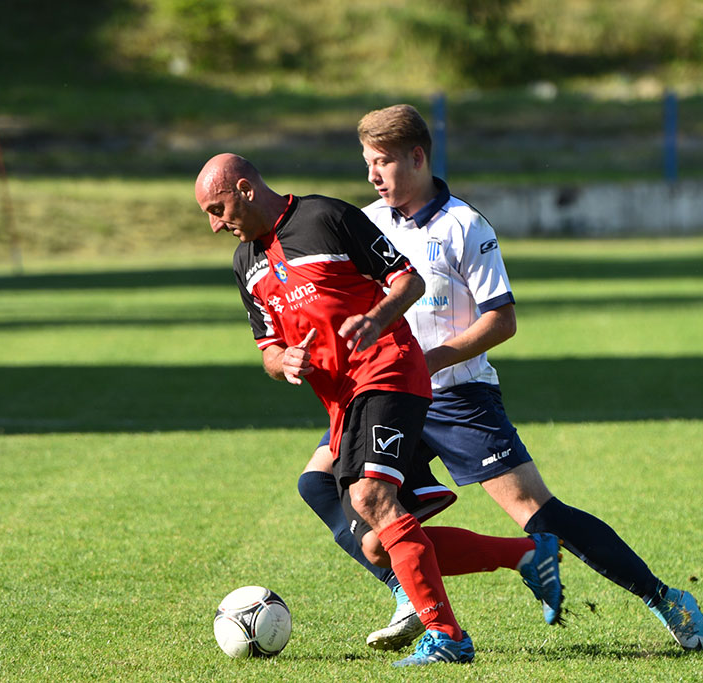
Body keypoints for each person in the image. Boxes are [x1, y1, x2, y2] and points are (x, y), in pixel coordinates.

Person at [297, 104, 703, 653]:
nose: (373, 175)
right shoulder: (367, 223)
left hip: (456, 397)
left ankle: (665, 599)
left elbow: (503, 319)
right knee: (328, 491)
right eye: (367, 163)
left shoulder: (464, 226)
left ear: (418, 157)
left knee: (538, 513)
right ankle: (409, 590)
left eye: (383, 162)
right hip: (388, 395)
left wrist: (435, 359)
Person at [195, 153, 563, 667]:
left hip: (389, 371)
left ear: (245, 189)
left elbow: (408, 280)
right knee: (373, 544)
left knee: (371, 497)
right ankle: (524, 554)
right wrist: (286, 361)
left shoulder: (326, 217)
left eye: (218, 208)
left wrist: (376, 318)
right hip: (342, 402)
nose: (215, 224)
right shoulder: (245, 264)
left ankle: (446, 635)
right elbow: (268, 350)